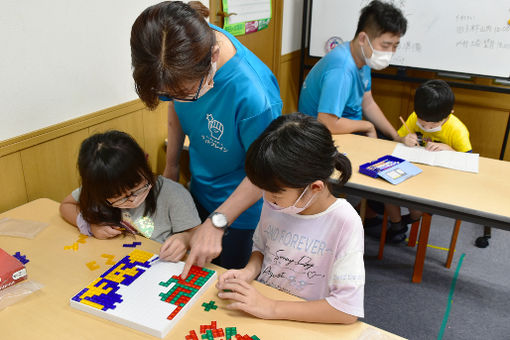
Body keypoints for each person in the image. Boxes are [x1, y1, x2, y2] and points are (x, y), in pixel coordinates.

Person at [130, 1, 282, 276]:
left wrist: (218, 222)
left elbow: (266, 172)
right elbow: (175, 104)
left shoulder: (255, 96)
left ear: (213, 55)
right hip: (200, 190)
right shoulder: (181, 45)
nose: (175, 98)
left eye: (186, 91)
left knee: (224, 290)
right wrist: (172, 167)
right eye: (167, 93)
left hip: (243, 210)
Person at [216, 113, 364, 324]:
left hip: (305, 323)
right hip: (264, 313)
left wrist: (272, 307)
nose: (267, 199)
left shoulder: (344, 222)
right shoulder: (275, 203)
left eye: (275, 195)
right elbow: (262, 248)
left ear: (314, 188)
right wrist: (248, 271)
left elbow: (346, 311)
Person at [59, 130, 201, 262]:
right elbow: (66, 205)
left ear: (145, 162)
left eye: (136, 188)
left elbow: (197, 234)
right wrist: (90, 225)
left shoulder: (173, 193)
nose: (131, 199)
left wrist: (185, 239)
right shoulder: (101, 188)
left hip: (166, 264)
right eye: (118, 197)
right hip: (120, 261)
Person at [298, 0, 407, 141]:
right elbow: (327, 123)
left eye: (395, 46)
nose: (390, 52)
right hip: (320, 138)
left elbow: (368, 103)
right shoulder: (342, 70)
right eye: (385, 45)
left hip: (346, 129)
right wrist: (367, 126)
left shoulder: (362, 56)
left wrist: (396, 136)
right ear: (363, 39)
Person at [384, 79, 472, 242]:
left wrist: (449, 149)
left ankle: (410, 219)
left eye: (433, 126)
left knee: (417, 207)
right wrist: (403, 139)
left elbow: (468, 160)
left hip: (438, 180)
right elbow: (398, 137)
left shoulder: (457, 129)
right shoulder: (415, 117)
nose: (427, 128)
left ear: (449, 113)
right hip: (412, 170)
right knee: (387, 191)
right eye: (423, 124)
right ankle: (397, 225)